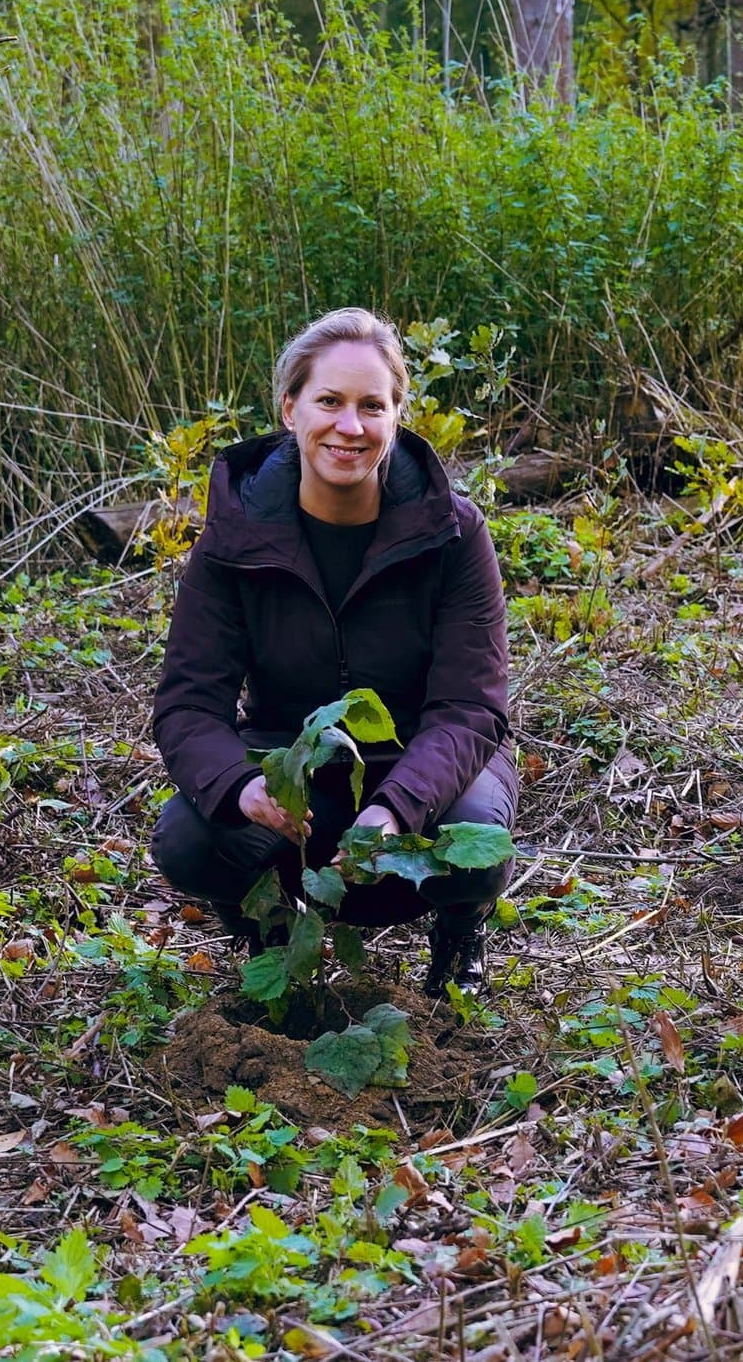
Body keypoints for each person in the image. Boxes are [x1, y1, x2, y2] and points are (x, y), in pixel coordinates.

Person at [150, 308, 514, 996]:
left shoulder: (456, 534)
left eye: (372, 406)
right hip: (294, 773)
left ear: (397, 416)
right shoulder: (233, 537)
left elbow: (470, 707)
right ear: (290, 409)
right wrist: (243, 786)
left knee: (476, 831)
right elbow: (188, 704)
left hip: (422, 772)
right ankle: (270, 942)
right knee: (187, 835)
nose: (350, 427)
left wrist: (394, 809)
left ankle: (461, 928)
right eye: (329, 402)